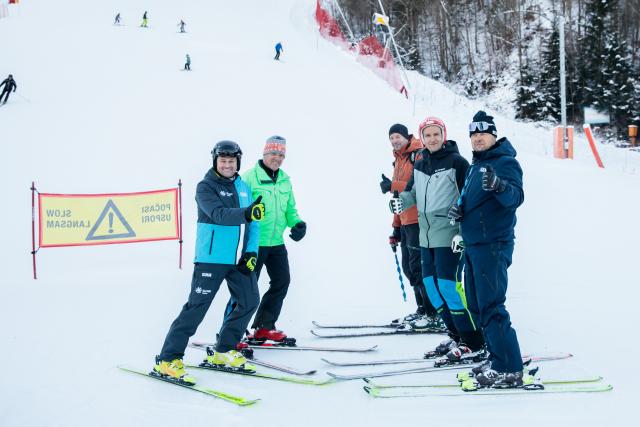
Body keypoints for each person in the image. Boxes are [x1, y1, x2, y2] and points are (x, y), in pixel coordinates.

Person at [153, 141, 265, 384]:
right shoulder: (206, 187)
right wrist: (246, 213)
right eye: (223, 160)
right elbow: (218, 215)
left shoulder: (244, 188)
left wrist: (252, 252)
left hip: (238, 260)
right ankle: (167, 359)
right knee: (197, 308)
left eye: (232, 161)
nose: (227, 165)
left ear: (238, 163)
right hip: (211, 259)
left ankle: (223, 351)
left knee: (249, 301)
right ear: (215, 161)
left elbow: (254, 224)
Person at [447, 111, 526, 388]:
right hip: (474, 244)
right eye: (473, 134)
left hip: (493, 245)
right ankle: (496, 357)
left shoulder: (505, 162)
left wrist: (500, 185)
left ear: (493, 135)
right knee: (476, 305)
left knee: (492, 306)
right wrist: (460, 209)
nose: (478, 138)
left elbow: (515, 197)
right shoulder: (475, 165)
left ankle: (509, 368)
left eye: (483, 133)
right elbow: (471, 199)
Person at [397, 117, 484, 361]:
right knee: (433, 290)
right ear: (422, 138)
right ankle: (456, 336)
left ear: (443, 135)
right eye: (428, 135)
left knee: (449, 287)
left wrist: (461, 232)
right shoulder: (421, 161)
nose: (432, 139)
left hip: (449, 235)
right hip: (426, 237)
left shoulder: (457, 162)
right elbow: (411, 192)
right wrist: (400, 201)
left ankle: (473, 340)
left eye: (436, 134)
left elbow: (470, 198)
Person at [236, 136, 306, 343]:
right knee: (246, 288)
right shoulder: (249, 178)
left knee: (281, 282)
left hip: (276, 242)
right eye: (274, 153)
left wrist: (297, 224)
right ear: (265, 154)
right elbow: (240, 210)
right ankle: (233, 332)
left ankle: (264, 327)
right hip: (254, 242)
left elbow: (290, 209)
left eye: (281, 155)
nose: (277, 158)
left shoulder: (285, 179)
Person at [380, 123, 438, 326]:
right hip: (405, 222)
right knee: (409, 268)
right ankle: (422, 308)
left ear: (406, 137)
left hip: (418, 220)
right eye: (391, 138)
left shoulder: (419, 155)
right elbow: (399, 198)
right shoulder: (398, 161)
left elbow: (419, 186)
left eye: (397, 137)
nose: (395, 141)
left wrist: (392, 185)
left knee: (419, 267)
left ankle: (433, 314)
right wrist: (396, 227)